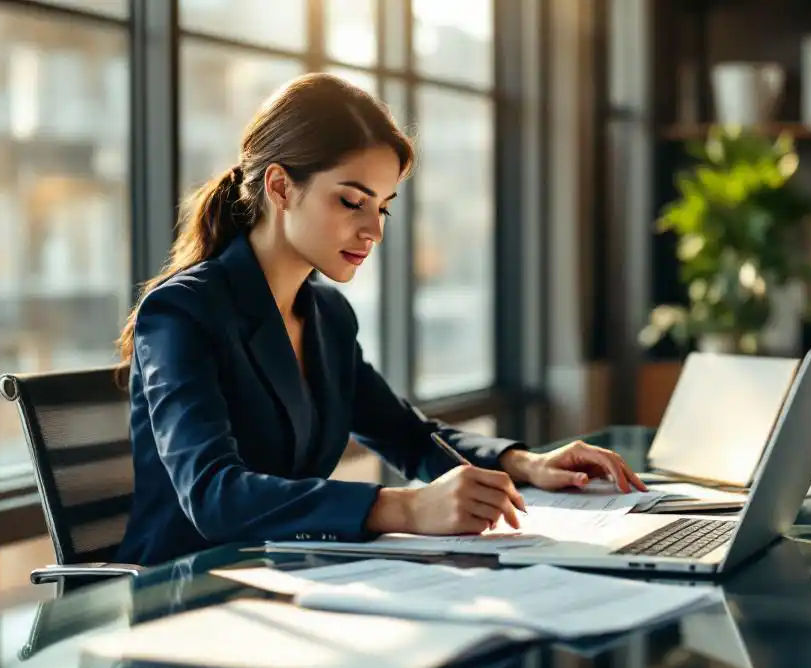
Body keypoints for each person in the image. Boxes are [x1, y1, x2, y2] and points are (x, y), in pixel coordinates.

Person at [114, 73, 645, 566]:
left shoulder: (325, 313)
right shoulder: (181, 311)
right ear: (279, 187)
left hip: (288, 581)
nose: (374, 231)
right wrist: (407, 509)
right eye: (351, 201)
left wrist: (527, 465)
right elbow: (213, 496)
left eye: (383, 207)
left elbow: (408, 437)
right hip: (183, 597)